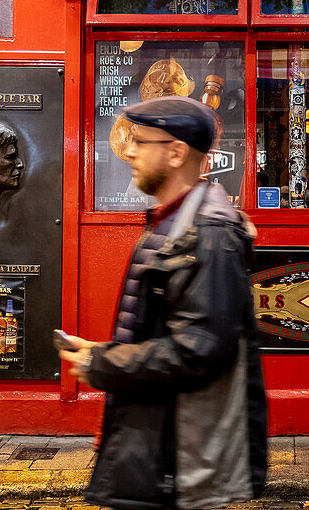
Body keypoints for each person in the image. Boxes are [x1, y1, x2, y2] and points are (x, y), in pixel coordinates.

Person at [58, 96, 267, 510]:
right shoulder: (173, 223)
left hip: (180, 457)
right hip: (156, 444)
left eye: (141, 141)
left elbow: (197, 348)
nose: (129, 151)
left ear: (175, 153)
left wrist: (102, 363)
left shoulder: (206, 235)